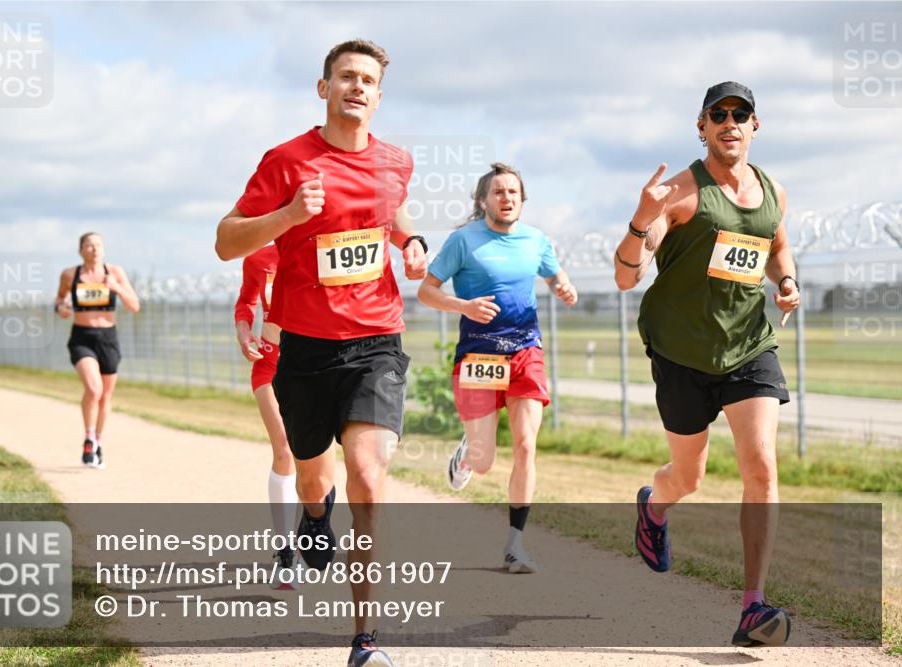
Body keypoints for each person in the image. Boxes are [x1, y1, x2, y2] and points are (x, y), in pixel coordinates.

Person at [215, 39, 427, 667]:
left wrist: (411, 238)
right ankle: (313, 512)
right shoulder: (285, 161)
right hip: (304, 349)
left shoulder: (396, 162)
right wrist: (285, 215)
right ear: (323, 87)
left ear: (379, 95)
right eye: (345, 77)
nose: (356, 87)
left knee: (367, 474)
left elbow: (392, 211)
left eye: (367, 80)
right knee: (313, 474)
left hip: (375, 342)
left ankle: (366, 638)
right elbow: (227, 241)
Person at [613, 82, 799, 647]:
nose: (729, 122)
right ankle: (655, 507)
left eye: (740, 114)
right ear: (702, 127)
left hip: (748, 347)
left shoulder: (773, 193)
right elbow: (626, 276)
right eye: (717, 115)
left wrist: (787, 282)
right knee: (686, 476)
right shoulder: (679, 193)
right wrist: (642, 220)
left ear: (754, 126)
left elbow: (776, 247)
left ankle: (752, 608)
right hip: (681, 353)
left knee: (761, 464)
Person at [417, 163, 577, 574]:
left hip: (526, 350)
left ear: (522, 200)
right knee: (486, 459)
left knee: (526, 445)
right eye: (498, 192)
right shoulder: (464, 241)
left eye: (513, 192)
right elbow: (426, 291)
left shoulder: (536, 240)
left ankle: (515, 545)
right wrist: (465, 306)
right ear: (483, 200)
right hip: (479, 356)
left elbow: (555, 275)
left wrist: (563, 286)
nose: (507, 198)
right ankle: (469, 453)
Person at [233, 242, 301, 588]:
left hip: (313, 366)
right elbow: (245, 303)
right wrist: (245, 333)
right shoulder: (258, 257)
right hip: (269, 364)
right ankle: (285, 548)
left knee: (312, 455)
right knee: (285, 449)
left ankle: (311, 534)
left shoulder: (320, 247)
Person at [55, 232, 140, 468]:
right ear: (81, 250)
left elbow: (134, 306)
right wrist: (62, 308)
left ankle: (99, 442)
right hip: (82, 337)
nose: (94, 249)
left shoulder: (115, 273)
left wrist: (116, 288)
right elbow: (59, 300)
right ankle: (89, 438)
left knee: (105, 396)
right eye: (89, 245)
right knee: (93, 388)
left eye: (98, 245)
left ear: (103, 249)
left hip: (108, 338)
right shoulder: (70, 275)